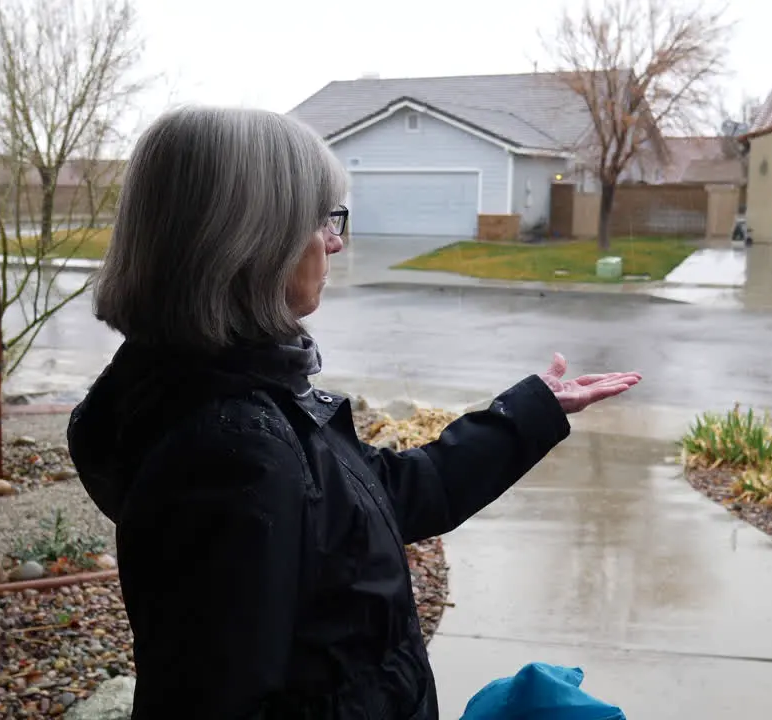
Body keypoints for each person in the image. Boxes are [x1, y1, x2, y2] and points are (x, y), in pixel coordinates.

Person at [67, 106, 642, 720]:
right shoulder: (227, 448)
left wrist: (526, 414)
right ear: (250, 240)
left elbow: (380, 498)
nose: (336, 241)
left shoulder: (229, 394)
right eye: (321, 220)